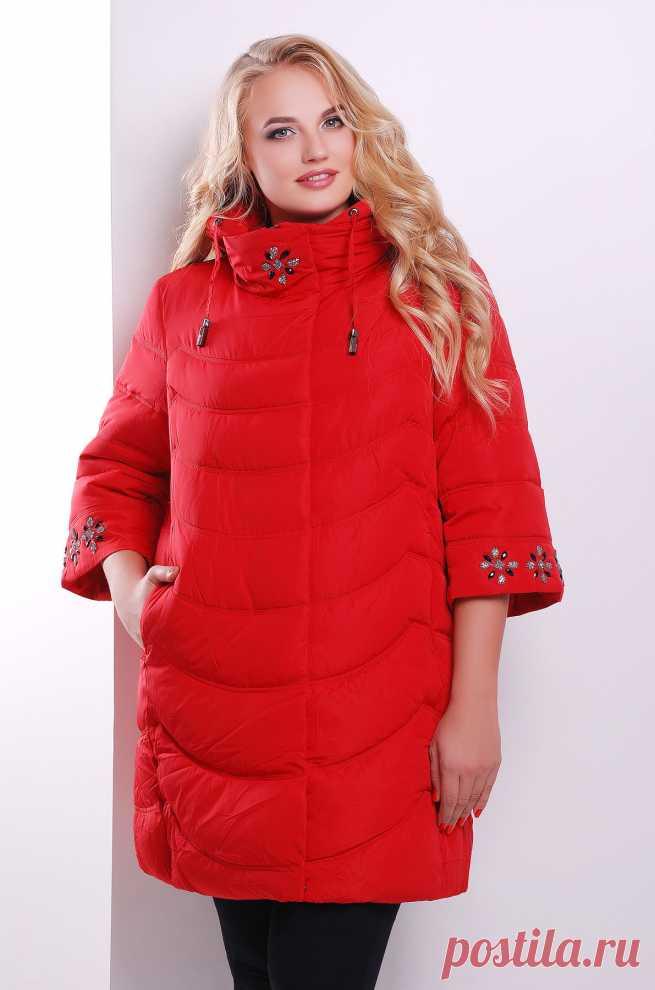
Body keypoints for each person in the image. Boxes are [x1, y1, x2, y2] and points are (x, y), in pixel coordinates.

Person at [60, 32, 565, 990]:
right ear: (243, 158)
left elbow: (490, 514)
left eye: (331, 120)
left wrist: (475, 708)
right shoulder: (181, 305)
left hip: (372, 731)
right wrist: (131, 597)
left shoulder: (435, 295)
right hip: (218, 722)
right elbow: (114, 472)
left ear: (361, 130)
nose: (315, 148)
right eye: (281, 131)